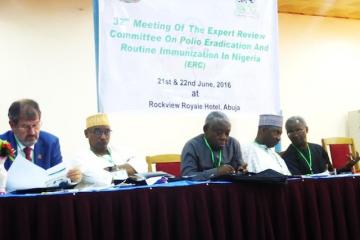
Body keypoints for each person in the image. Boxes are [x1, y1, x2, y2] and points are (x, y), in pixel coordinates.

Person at [0, 99, 81, 182]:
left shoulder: (51, 143)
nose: (32, 132)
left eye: (35, 125)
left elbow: (58, 180)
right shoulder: (1, 144)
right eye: (25, 126)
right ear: (12, 125)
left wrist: (70, 179)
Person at [70, 113, 145, 189]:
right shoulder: (79, 158)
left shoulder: (119, 150)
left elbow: (141, 165)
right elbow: (100, 179)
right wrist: (128, 169)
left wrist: (113, 169)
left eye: (107, 132)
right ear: (86, 134)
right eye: (97, 132)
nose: (103, 137)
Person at [282, 116, 359, 175]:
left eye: (298, 130)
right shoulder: (287, 156)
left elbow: (330, 174)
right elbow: (297, 182)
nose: (295, 135)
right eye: (290, 131)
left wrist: (348, 166)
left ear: (307, 129)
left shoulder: (319, 149)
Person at [181, 111, 246, 180]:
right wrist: (216, 172)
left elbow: (239, 169)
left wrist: (241, 171)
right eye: (219, 133)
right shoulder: (192, 146)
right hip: (201, 189)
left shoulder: (233, 144)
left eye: (227, 133)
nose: (223, 137)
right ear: (206, 129)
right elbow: (187, 176)